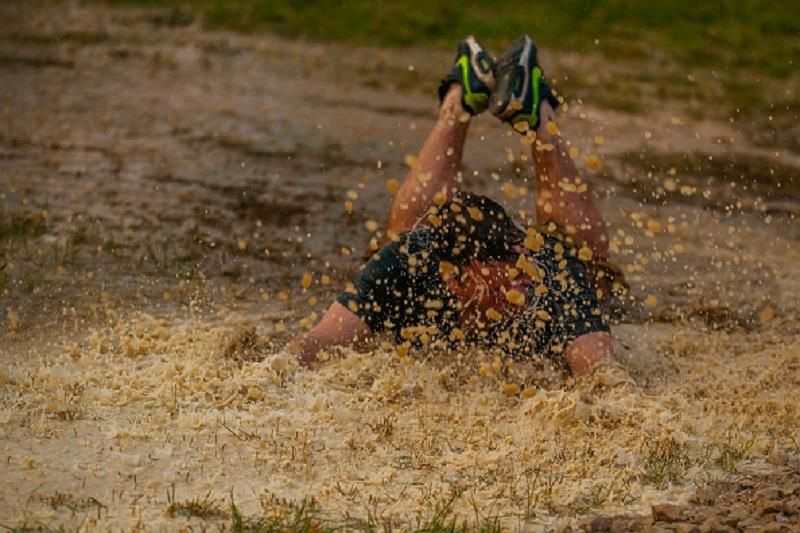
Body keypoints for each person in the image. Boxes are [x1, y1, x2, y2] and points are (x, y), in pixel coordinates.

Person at [288, 35, 623, 377]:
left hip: (559, 264)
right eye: (506, 264)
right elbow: (318, 344)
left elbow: (603, 376)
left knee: (589, 260)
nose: (524, 269)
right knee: (402, 234)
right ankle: (458, 100)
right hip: (421, 250)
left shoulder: (555, 278)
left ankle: (538, 118)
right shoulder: (400, 270)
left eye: (520, 254)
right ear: (455, 279)